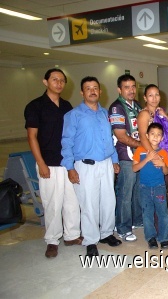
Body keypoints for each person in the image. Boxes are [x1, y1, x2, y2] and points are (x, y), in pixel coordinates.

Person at [24, 68, 83, 258]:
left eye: (62, 80)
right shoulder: (35, 106)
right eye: (54, 79)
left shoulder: (66, 106)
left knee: (72, 201)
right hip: (48, 163)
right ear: (45, 82)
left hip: (67, 162)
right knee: (52, 203)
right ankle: (52, 239)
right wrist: (40, 163)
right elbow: (32, 137)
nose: (58, 83)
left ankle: (72, 235)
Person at [61, 76, 122, 257]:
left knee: (109, 201)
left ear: (100, 91)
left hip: (106, 164)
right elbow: (66, 143)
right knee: (89, 204)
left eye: (95, 88)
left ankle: (107, 233)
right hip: (85, 166)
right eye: (88, 88)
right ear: (82, 92)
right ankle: (90, 240)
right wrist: (70, 168)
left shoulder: (104, 114)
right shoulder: (73, 115)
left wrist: (115, 160)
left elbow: (111, 140)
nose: (92, 91)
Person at [137, 84, 168, 232]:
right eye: (151, 95)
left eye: (157, 95)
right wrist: (153, 155)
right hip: (151, 157)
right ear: (145, 98)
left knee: (163, 190)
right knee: (152, 192)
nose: (154, 98)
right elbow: (143, 136)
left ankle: (165, 222)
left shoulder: (161, 113)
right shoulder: (144, 114)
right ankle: (156, 225)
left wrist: (166, 117)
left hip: (163, 156)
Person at [109, 74, 142, 242]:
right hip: (125, 156)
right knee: (125, 193)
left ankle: (136, 220)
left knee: (136, 191)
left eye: (133, 86)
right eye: (127, 87)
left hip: (138, 156)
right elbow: (121, 136)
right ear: (119, 89)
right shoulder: (117, 108)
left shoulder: (136, 106)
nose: (131, 90)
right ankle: (122, 227)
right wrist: (142, 145)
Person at [132, 123, 168, 249]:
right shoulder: (140, 151)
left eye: (159, 135)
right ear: (147, 136)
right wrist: (147, 159)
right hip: (144, 188)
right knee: (147, 214)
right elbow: (134, 168)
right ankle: (151, 238)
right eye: (152, 134)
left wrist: (162, 164)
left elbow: (166, 172)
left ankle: (164, 238)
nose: (155, 137)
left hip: (159, 187)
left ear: (162, 138)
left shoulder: (163, 153)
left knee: (163, 213)